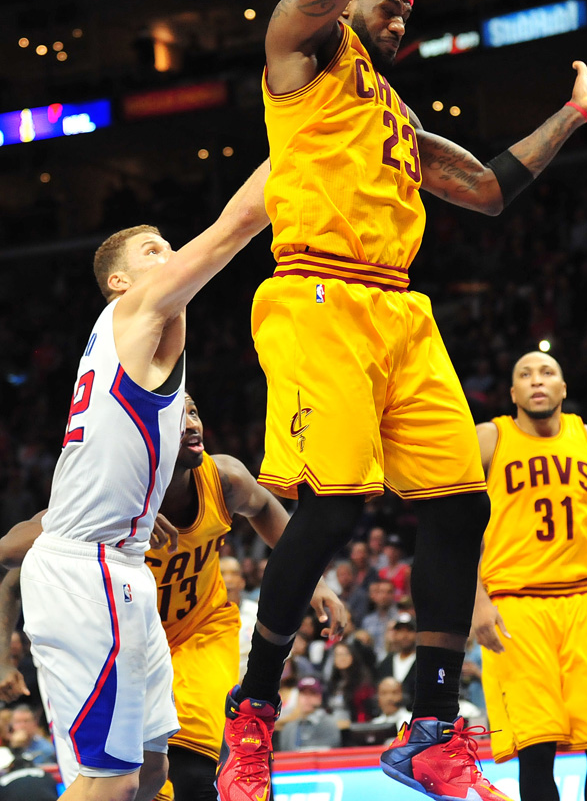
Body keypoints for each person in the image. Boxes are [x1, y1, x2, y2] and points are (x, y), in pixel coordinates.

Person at [215, 0, 587, 801]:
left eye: (410, 12)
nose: (400, 19)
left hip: (398, 308)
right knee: (333, 506)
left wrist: (574, 113)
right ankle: (251, 714)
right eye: (386, 4)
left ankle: (428, 727)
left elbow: (489, 188)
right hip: (317, 294)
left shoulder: (396, 118)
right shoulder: (300, 50)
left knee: (461, 498)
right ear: (349, 1)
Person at [14, 160, 269, 801]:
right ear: (120, 282)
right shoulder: (131, 313)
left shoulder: (148, 344)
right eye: (155, 249)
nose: (173, 254)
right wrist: (311, 125)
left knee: (154, 772)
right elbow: (237, 224)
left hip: (124, 569)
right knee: (114, 779)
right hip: (87, 569)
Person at [0, 393, 344, 801]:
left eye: (195, 412)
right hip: (132, 643)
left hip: (203, 627)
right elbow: (8, 563)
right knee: (143, 777)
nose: (192, 423)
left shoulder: (224, 478)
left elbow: (266, 508)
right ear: (145, 434)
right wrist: (3, 657)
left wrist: (315, 582)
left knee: (197, 763)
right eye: (177, 418)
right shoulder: (105, 501)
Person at [473, 352, 587, 801]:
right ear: (512, 394)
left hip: (582, 603)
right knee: (537, 747)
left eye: (547, 373)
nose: (537, 381)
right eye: (525, 375)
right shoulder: (488, 441)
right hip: (515, 605)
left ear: (563, 388)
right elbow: (454, 530)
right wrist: (476, 600)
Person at [276, 678, 341, 752]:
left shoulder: (329, 724)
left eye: (312, 694)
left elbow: (329, 752)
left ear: (319, 698)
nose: (307, 698)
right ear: (298, 697)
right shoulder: (288, 728)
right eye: (303, 694)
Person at [376, 612, 417, 710]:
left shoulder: (423, 663)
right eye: (400, 631)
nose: (404, 636)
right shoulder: (386, 662)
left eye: (409, 631)